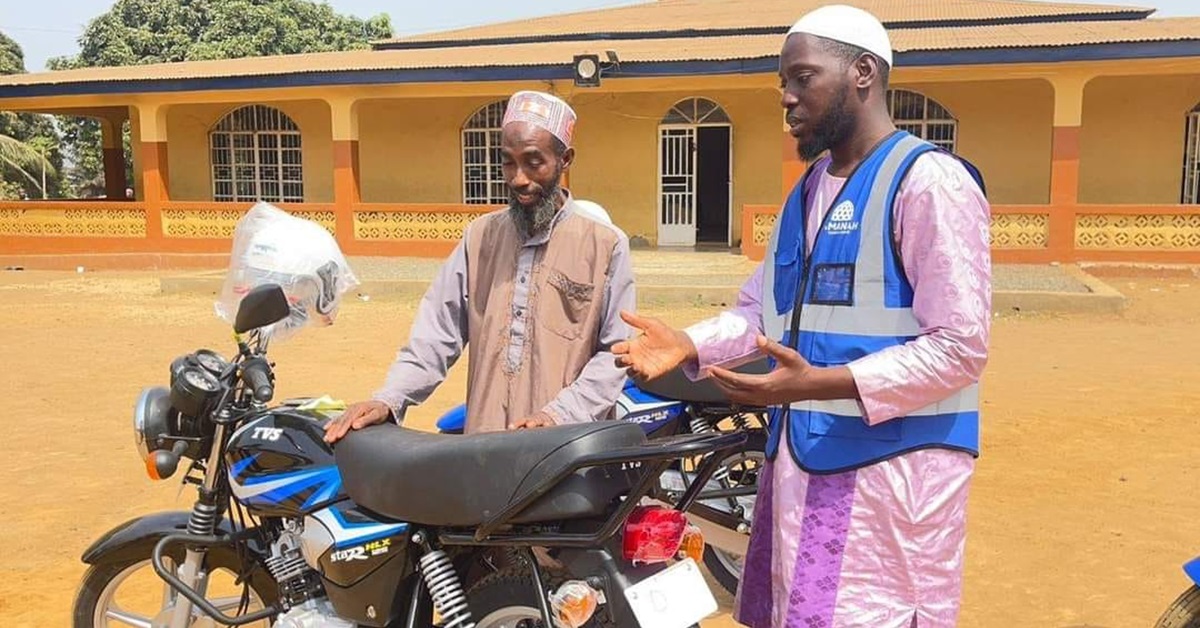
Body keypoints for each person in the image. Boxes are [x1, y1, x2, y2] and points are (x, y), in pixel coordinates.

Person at [613, 5, 991, 627]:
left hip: (895, 478)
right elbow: (761, 315)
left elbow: (960, 345)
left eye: (803, 78)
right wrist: (689, 344)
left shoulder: (929, 184)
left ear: (863, 72)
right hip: (804, 461)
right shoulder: (808, 191)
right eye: (782, 83)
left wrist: (819, 384)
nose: (786, 97)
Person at [325, 90, 635, 442]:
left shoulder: (605, 245)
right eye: (508, 162)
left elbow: (616, 354)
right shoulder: (480, 237)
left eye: (534, 162)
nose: (519, 178)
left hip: (567, 447)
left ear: (565, 160)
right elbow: (436, 334)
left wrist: (559, 413)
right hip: (485, 445)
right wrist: (389, 397)